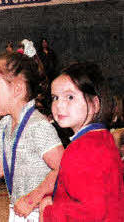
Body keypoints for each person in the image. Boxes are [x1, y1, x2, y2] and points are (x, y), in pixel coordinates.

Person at [0, 52, 64, 221]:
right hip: (18, 210)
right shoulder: (4, 125)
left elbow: (63, 169)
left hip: (39, 212)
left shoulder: (38, 126)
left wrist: (32, 198)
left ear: (18, 89)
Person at [40, 62, 124, 222]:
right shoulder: (103, 138)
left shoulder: (81, 149)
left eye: (70, 96)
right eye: (55, 97)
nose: (59, 105)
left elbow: (91, 212)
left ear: (95, 104)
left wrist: (49, 211)